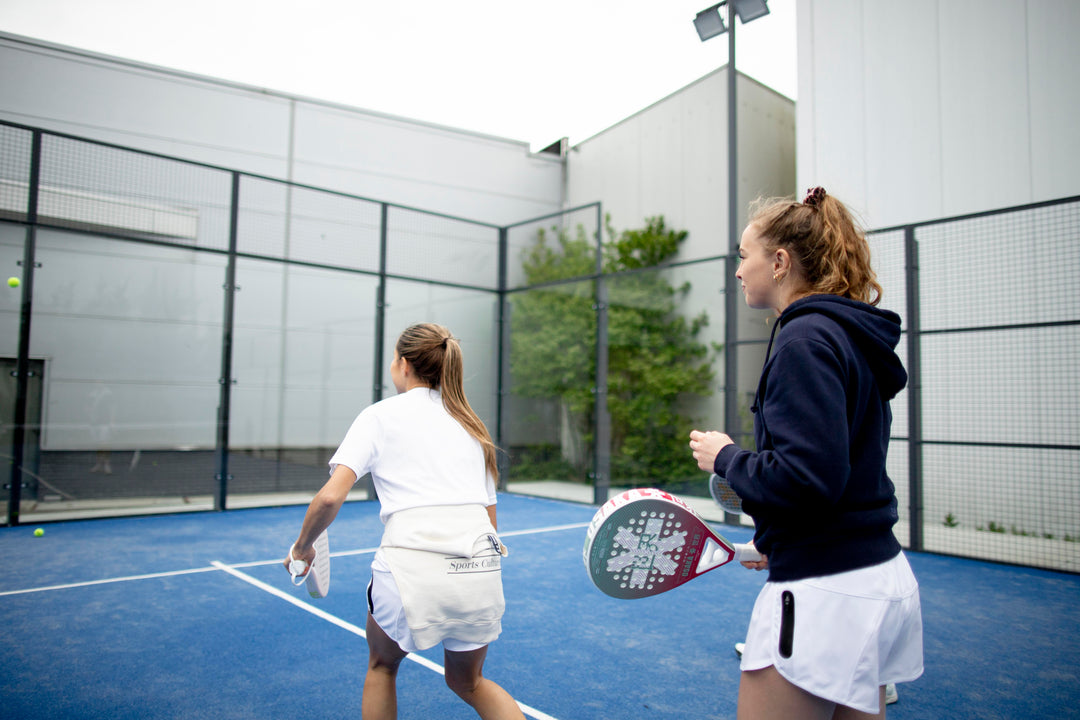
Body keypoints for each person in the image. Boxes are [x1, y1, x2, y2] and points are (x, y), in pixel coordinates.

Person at [689, 187, 923, 719]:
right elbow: (841, 473)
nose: (738, 270)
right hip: (875, 573)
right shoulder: (845, 335)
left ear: (779, 261)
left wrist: (726, 457)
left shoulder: (805, 339)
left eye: (743, 256)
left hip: (826, 593)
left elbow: (809, 477)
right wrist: (783, 540)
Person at [284, 322, 525, 720]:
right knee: (469, 682)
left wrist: (302, 546)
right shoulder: (471, 426)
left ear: (404, 364)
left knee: (382, 666)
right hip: (481, 572)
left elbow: (330, 496)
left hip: (410, 570)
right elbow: (489, 519)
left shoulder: (379, 416)